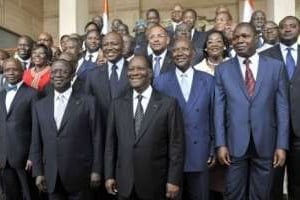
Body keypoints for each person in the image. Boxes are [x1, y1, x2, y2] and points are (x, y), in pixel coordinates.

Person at [214, 22, 289, 200]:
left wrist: (281, 145)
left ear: (256, 38)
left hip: (266, 141)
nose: (239, 40)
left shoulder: (275, 67)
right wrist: (221, 144)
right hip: (234, 144)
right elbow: (218, 109)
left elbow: (282, 108)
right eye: (236, 37)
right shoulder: (222, 69)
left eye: (245, 36)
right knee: (233, 193)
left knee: (261, 194)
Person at [105, 55, 184, 200]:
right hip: (124, 182)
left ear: (150, 73)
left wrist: (173, 180)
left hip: (155, 182)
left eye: (140, 68)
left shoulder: (168, 104)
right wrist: (109, 175)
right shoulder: (117, 104)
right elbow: (111, 144)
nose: (134, 72)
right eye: (131, 69)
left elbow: (176, 146)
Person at [30, 59, 102, 200]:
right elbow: (36, 140)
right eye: (55, 71)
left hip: (81, 175)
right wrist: (38, 172)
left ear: (72, 75)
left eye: (63, 71)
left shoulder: (89, 102)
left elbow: (97, 137)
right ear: (50, 76)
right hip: (51, 175)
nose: (58, 75)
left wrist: (97, 170)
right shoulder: (40, 105)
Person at [154, 38, 214, 200]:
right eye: (175, 50)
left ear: (193, 53)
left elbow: (214, 117)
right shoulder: (160, 82)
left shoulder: (208, 81)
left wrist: (213, 147)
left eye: (185, 49)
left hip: (200, 153)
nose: (180, 53)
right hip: (171, 157)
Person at [260, 15, 300, 200]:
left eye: (292, 26)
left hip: (299, 131)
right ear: (277, 30)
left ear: (298, 30)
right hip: (273, 130)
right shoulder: (264, 56)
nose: (287, 29)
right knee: (272, 183)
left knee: (298, 182)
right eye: (283, 26)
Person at [0, 58, 38, 200]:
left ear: (23, 71)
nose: (11, 73)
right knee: (10, 195)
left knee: (30, 195)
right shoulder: (1, 94)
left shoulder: (32, 93)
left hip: (25, 158)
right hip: (4, 158)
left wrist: (32, 155)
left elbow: (36, 127)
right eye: (7, 70)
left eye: (14, 69)